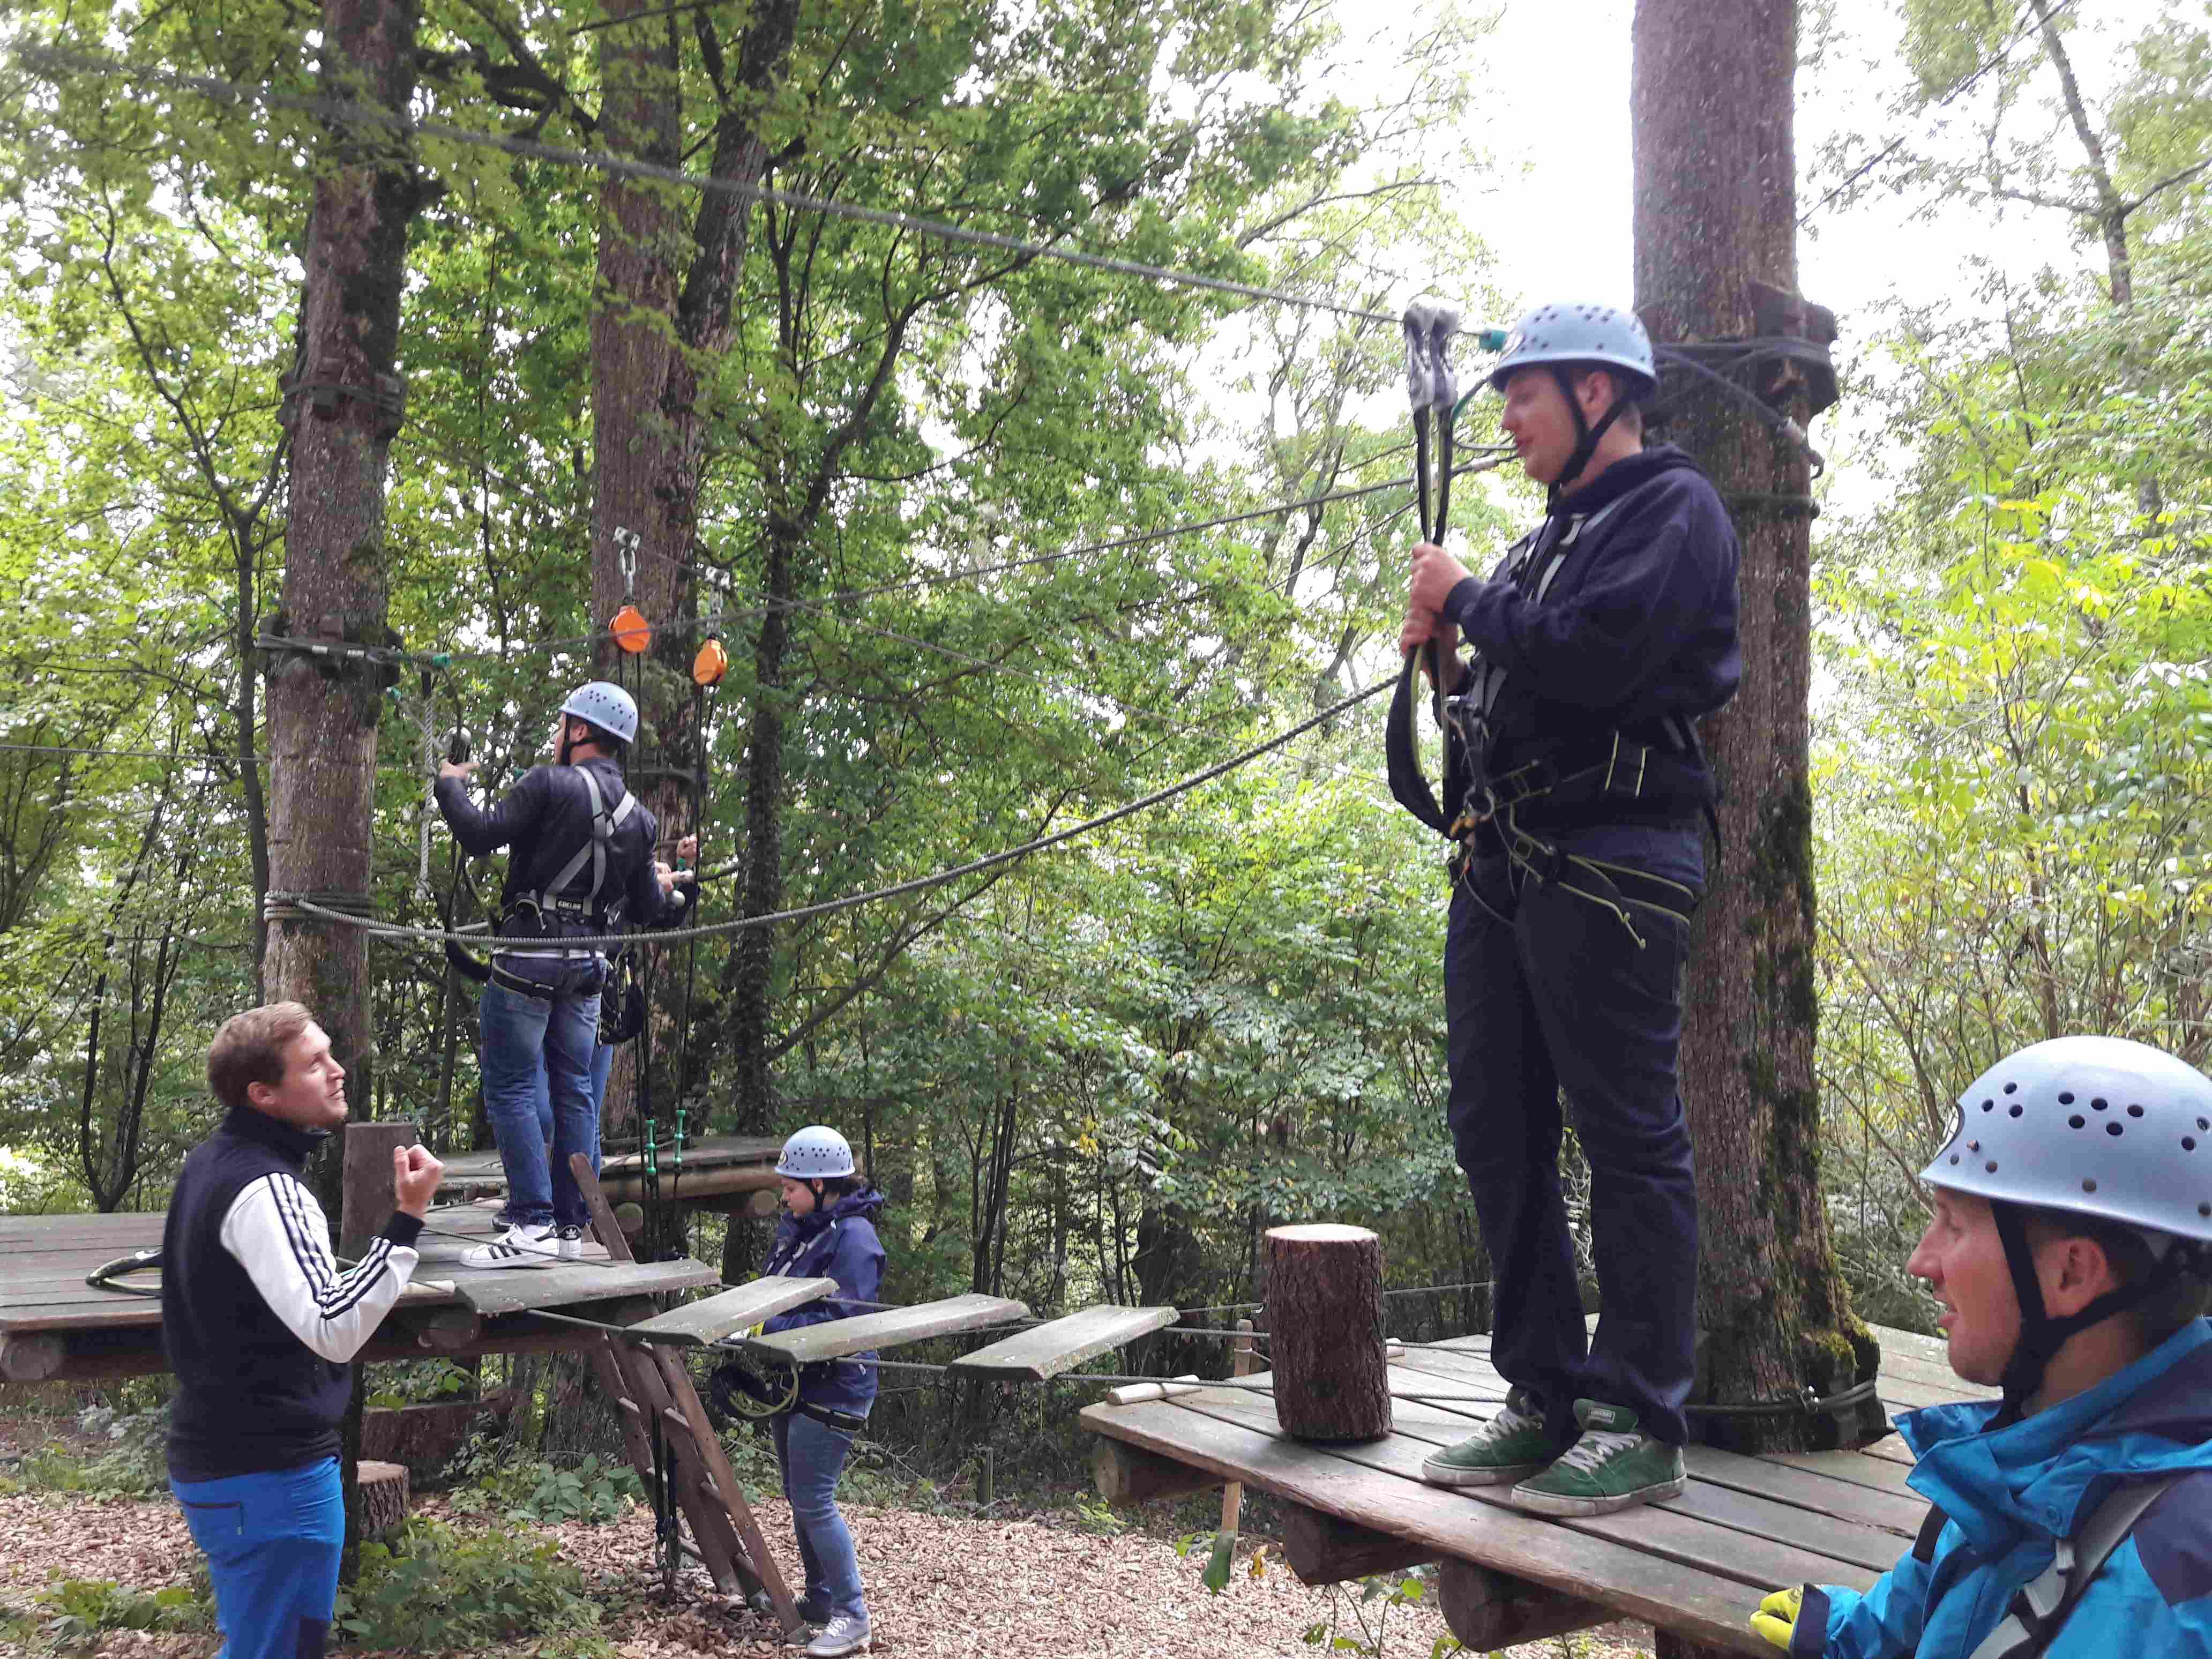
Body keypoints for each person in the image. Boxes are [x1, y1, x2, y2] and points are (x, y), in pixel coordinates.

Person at [1400, 302, 1741, 1515]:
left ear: (1597, 392)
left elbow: (1598, 659)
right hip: (1506, 859)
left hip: (1612, 858)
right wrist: (1449, 662)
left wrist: (1467, 599)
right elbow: (1519, 684)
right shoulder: (1546, 542)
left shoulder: (1671, 509)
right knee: (1493, 1125)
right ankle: (1540, 1389)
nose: (1504, 420)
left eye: (1521, 395)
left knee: (1625, 1134)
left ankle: (1638, 1414)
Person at [1750, 1036, 2212, 1657]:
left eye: (1954, 1223)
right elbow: (1978, 1601)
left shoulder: (2167, 1584)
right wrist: (1850, 1635)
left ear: (2072, 1273)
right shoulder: (2044, 1449)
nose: (1921, 1262)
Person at [163, 1002, 444, 1659]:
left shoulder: (213, 1161)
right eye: (314, 1064)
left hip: (228, 1463)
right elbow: (333, 1326)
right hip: (270, 1476)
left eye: (329, 1054)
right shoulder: (268, 1187)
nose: (337, 1070)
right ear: (263, 1094)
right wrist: (408, 1219)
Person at [435, 682, 693, 1267]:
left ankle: (532, 1223)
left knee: (510, 1087)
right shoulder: (640, 819)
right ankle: (570, 1227)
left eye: (561, 726)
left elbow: (477, 834)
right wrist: (679, 891)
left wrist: (450, 785)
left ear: (579, 731)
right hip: (588, 970)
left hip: (529, 959)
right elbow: (647, 909)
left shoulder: (548, 784)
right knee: (575, 1090)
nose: (556, 736)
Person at [713, 1126, 886, 1658]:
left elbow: (841, 1321)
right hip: (796, 1380)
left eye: (791, 1188)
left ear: (820, 1184)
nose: (784, 1197)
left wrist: (763, 1327)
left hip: (837, 1385)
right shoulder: (805, 1229)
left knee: (814, 1500)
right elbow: (776, 1291)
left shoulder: (854, 1240)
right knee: (800, 1496)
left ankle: (853, 1616)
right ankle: (822, 1598)